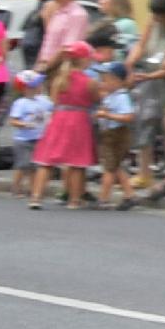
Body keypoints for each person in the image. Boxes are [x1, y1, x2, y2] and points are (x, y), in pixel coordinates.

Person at [36, 42, 103, 209]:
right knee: (77, 161)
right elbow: (96, 99)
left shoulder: (59, 80)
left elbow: (53, 100)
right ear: (84, 60)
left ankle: (36, 197)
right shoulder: (90, 81)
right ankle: (74, 200)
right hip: (79, 118)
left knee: (46, 160)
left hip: (59, 117)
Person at [126, 0, 165, 192]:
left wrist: (151, 74)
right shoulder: (152, 21)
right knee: (144, 120)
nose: (156, 18)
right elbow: (141, 44)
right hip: (149, 75)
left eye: (160, 15)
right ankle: (144, 172)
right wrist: (130, 63)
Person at [9, 70, 57, 203]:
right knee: (23, 165)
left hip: (39, 137)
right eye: (36, 85)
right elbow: (13, 120)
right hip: (23, 139)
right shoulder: (21, 103)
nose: (40, 87)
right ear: (26, 89)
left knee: (35, 166)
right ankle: (16, 186)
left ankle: (33, 188)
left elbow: (53, 110)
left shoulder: (44, 100)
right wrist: (23, 124)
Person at [94, 64, 138, 208]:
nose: (102, 83)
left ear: (117, 81)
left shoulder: (121, 97)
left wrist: (107, 115)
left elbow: (128, 116)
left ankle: (104, 198)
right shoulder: (110, 96)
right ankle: (129, 194)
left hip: (116, 134)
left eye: (106, 80)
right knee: (115, 166)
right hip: (108, 134)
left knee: (109, 168)